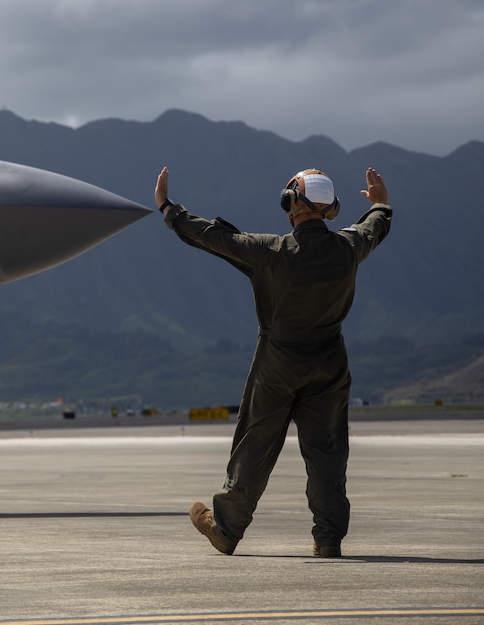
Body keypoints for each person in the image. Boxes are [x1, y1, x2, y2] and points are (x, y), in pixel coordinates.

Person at [154, 164, 391, 557]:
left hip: (278, 363)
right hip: (330, 364)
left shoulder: (270, 252)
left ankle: (227, 529)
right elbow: (374, 228)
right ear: (330, 207)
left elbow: (214, 238)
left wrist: (168, 209)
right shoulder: (348, 248)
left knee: (257, 443)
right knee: (328, 453)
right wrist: (381, 205)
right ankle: (328, 537)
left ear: (290, 203)